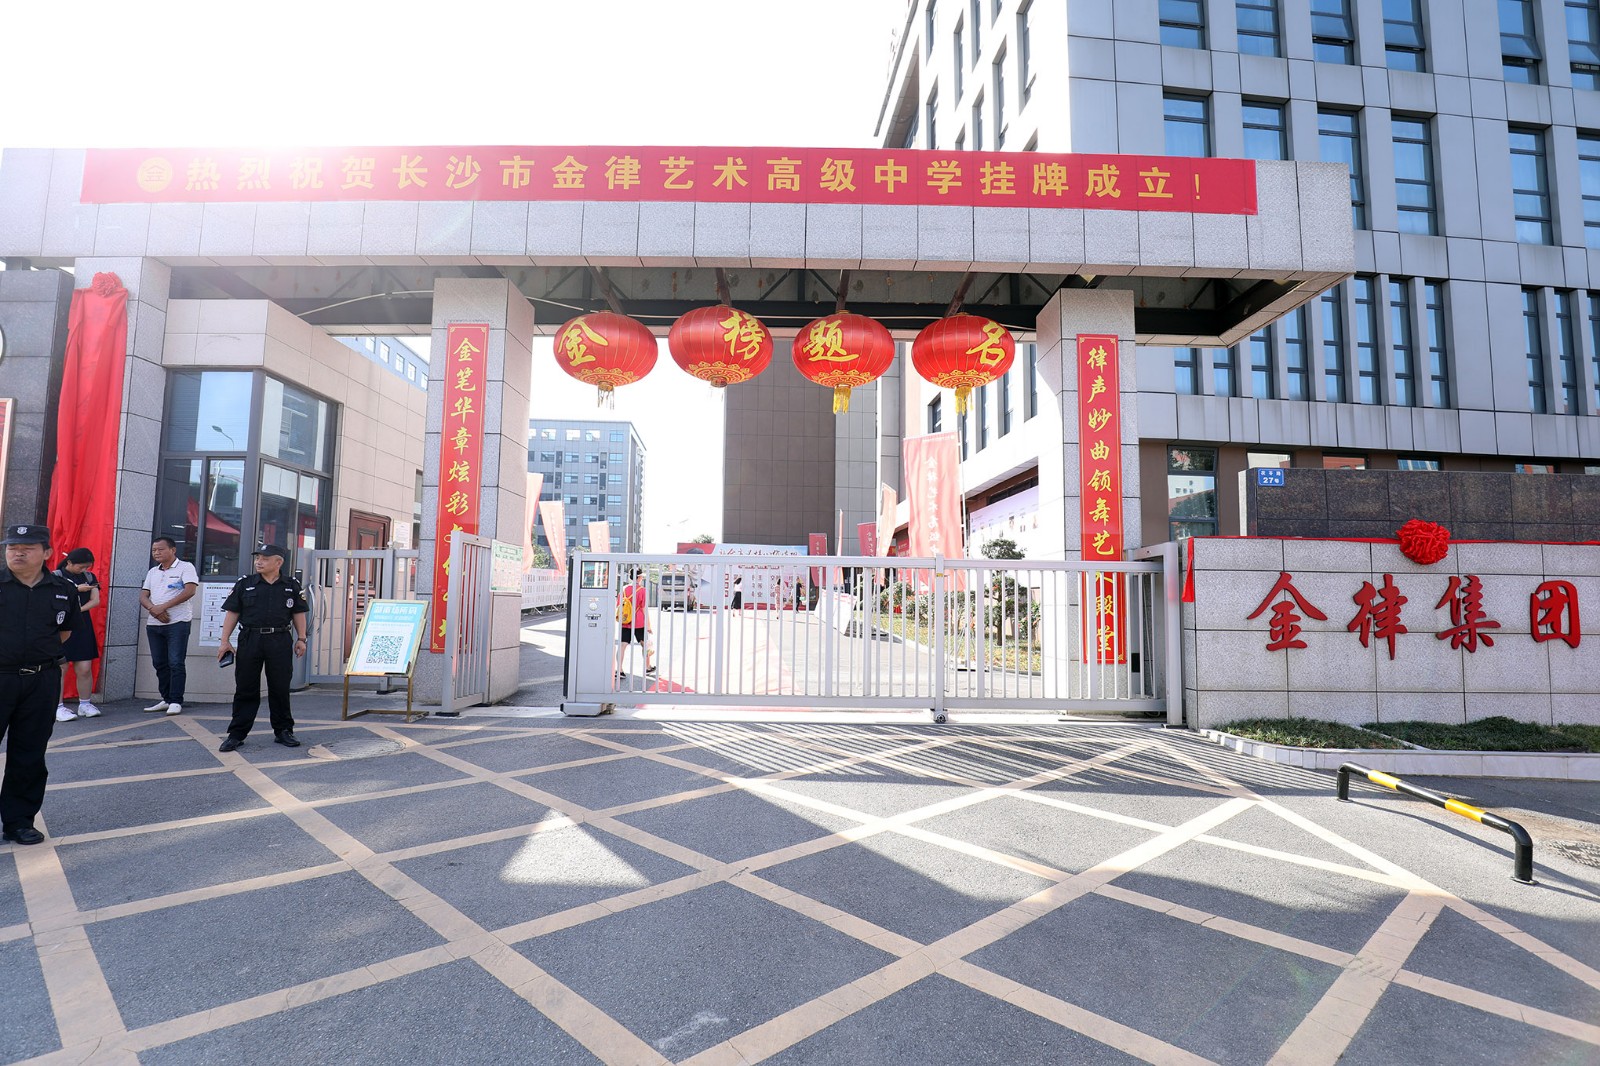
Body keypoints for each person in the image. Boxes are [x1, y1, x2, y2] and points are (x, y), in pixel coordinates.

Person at [0, 525, 79, 845]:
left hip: (41, 680)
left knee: (29, 753)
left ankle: (19, 822)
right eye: (12, 547)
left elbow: (64, 632)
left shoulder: (63, 589)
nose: (17, 553)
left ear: (47, 553)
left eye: (27, 548)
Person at [216, 544, 308, 751]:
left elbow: (298, 613)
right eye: (257, 558)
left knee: (280, 687)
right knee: (245, 687)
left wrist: (301, 639)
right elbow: (232, 612)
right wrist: (225, 641)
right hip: (250, 639)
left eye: (264, 558)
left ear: (278, 562)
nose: (259, 562)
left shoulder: (291, 585)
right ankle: (236, 734)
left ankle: (283, 731)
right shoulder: (245, 584)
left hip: (279, 639)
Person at [140, 536, 198, 715]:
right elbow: (143, 595)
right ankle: (166, 699)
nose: (156, 553)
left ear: (173, 550)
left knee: (176, 662)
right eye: (154, 550)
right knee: (159, 663)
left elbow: (190, 591)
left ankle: (176, 700)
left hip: (178, 623)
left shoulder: (185, 567)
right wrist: (154, 609)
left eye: (160, 549)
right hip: (154, 623)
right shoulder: (153, 571)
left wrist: (163, 607)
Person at [54, 547, 102, 722]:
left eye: (87, 567)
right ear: (69, 562)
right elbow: (53, 598)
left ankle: (85, 704)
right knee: (61, 668)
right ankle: (57, 707)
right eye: (81, 567)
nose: (84, 570)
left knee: (84, 668)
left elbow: (95, 600)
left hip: (82, 625)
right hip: (61, 624)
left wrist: (77, 611)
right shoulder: (56, 576)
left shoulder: (89, 577)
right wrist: (76, 589)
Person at [615, 568, 655, 678]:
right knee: (645, 644)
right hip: (639, 622)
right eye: (641, 576)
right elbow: (644, 609)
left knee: (622, 645)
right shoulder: (642, 590)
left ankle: (619, 670)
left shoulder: (623, 589)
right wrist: (648, 625)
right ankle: (647, 667)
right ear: (639, 577)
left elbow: (618, 605)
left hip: (625, 620)